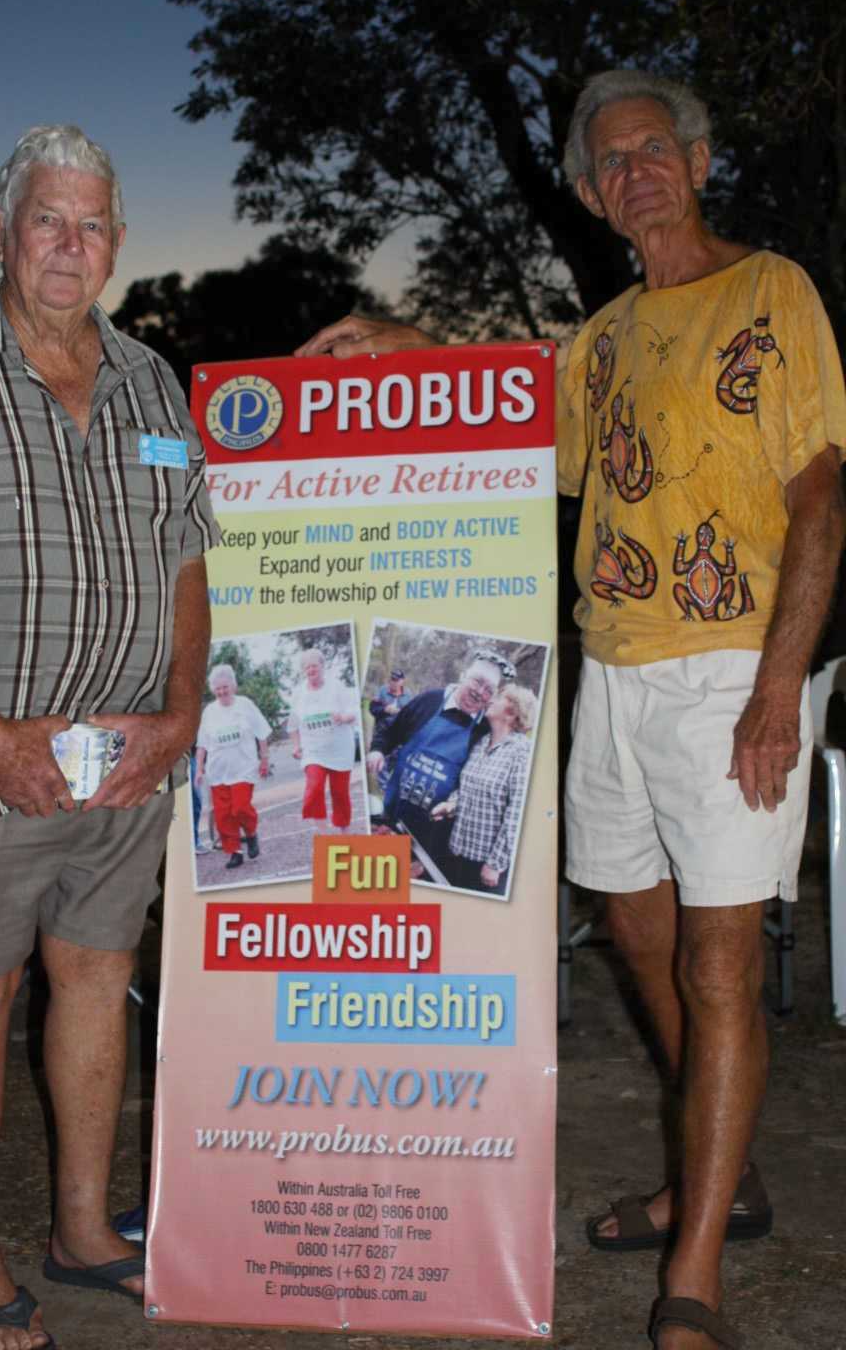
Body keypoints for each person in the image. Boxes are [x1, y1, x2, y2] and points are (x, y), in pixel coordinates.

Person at [295, 69, 846, 1350]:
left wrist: (778, 689)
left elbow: (822, 502)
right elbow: (507, 433)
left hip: (730, 669)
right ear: (595, 195)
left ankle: (695, 1273)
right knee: (641, 942)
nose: (636, 170)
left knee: (720, 967)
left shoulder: (774, 293)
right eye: (613, 161)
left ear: (699, 163)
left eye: (657, 147)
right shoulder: (596, 342)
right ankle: (728, 1170)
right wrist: (407, 352)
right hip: (611, 673)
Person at [0, 125, 218, 1350]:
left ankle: (82, 1232)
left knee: (93, 978)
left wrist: (181, 713)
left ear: (120, 245)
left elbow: (188, 559)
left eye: (92, 226)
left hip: (126, 763)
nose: (69, 246)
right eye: (46, 221)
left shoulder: (152, 383)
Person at [366, 654, 505, 875]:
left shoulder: (484, 731)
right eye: (477, 681)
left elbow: (479, 782)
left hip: (434, 836)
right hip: (391, 817)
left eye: (488, 689)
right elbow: (391, 731)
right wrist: (377, 750)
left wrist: (454, 804)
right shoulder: (430, 700)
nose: (480, 692)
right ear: (463, 676)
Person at [431, 682, 537, 895]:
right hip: (458, 853)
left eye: (498, 698)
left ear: (512, 712)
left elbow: (518, 813)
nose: (489, 699)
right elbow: (466, 788)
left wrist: (495, 864)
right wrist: (451, 804)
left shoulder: (522, 752)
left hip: (486, 868)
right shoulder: (482, 743)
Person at [194, 663, 271, 868]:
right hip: (217, 772)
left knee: (241, 808)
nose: (221, 692)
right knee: (223, 815)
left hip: (244, 769)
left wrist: (265, 759)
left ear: (233, 686)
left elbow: (262, 733)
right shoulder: (209, 711)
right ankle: (234, 852)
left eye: (225, 687)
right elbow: (202, 744)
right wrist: (199, 768)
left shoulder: (245, 705)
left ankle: (252, 834)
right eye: (217, 688)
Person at [288, 648, 358, 830]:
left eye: (314, 666)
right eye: (306, 667)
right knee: (314, 788)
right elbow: (293, 725)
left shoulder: (336, 687)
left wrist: (343, 718)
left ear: (322, 666)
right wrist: (296, 746)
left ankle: (344, 833)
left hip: (340, 750)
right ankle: (324, 835)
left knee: (340, 794)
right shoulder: (299, 694)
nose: (311, 670)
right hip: (314, 751)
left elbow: (353, 713)